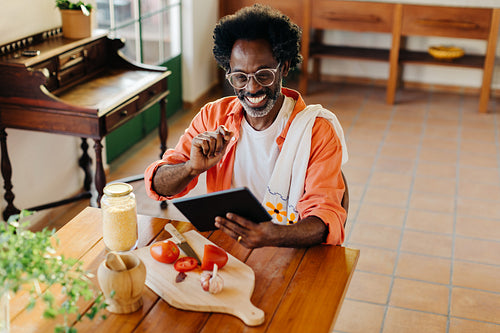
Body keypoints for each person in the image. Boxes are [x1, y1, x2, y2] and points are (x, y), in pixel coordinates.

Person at [144, 4, 348, 248]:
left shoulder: (316, 131)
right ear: (229, 72)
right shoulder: (213, 116)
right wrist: (190, 168)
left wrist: (274, 235)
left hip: (291, 249)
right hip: (227, 246)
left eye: (263, 74)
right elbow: (157, 184)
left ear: (283, 66)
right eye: (240, 77)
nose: (251, 89)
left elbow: (326, 218)